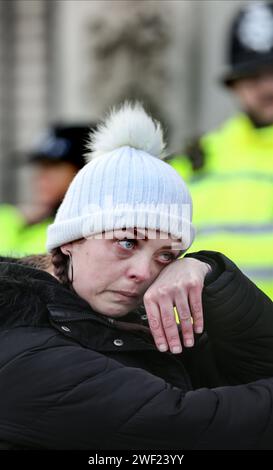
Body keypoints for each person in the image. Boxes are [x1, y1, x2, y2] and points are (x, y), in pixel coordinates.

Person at [0, 102, 273, 450]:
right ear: (70, 240)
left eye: (167, 255)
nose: (144, 273)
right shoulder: (21, 344)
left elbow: (257, 370)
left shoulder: (132, 323)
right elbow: (190, 427)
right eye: (126, 242)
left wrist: (209, 272)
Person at [169, 1, 273, 299]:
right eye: (254, 77)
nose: (267, 87)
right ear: (235, 85)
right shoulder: (196, 160)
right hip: (205, 339)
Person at [0, 124, 94, 256]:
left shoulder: (89, 234)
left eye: (53, 166)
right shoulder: (13, 218)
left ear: (83, 171)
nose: (40, 177)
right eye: (40, 166)